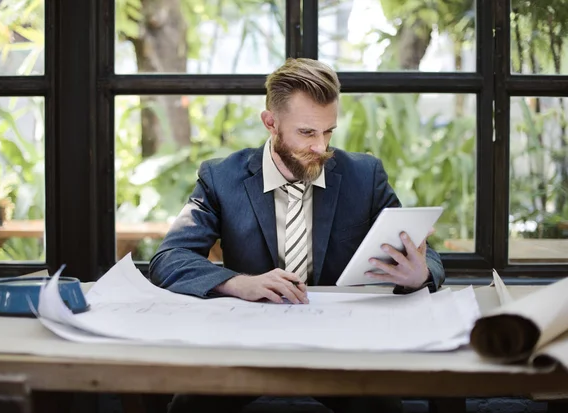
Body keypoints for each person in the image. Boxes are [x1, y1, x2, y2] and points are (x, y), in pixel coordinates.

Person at [149, 57, 445, 413]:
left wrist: (420, 275)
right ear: (270, 123)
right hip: (247, 343)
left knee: (383, 408)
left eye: (329, 131)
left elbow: (424, 254)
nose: (321, 147)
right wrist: (239, 283)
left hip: (340, 343)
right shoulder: (220, 178)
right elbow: (168, 260)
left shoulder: (364, 176)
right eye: (307, 132)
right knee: (188, 408)